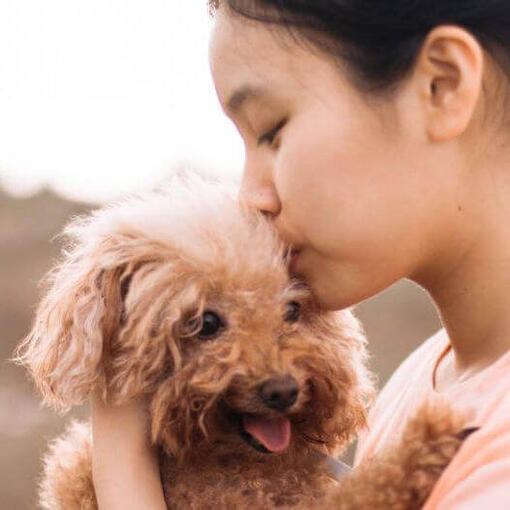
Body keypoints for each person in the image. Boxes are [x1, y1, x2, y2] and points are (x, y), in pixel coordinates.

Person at [92, 1, 510, 508]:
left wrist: (120, 462)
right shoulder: (426, 380)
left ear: (440, 86)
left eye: (271, 130)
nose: (250, 195)